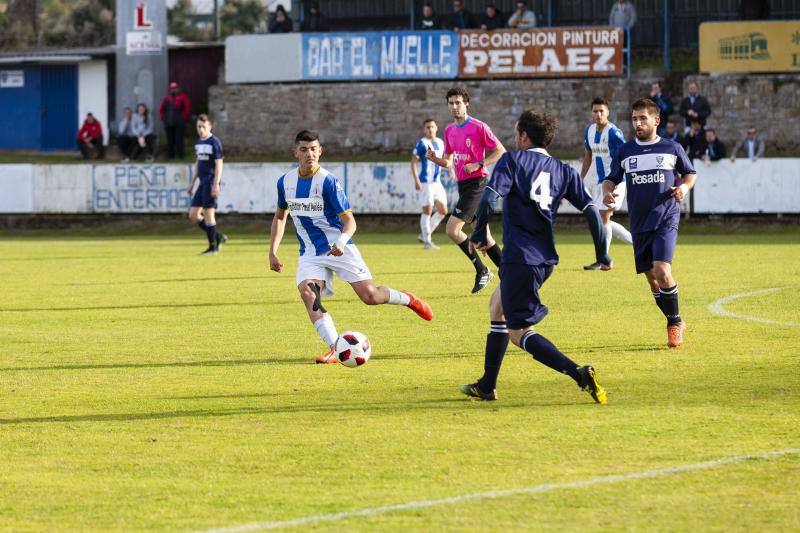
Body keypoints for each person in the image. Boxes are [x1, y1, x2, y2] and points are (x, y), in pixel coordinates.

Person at [459, 108, 610, 403]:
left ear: (524, 136)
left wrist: (478, 233)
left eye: (516, 133)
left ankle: (578, 373)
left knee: (519, 332)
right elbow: (592, 211)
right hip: (544, 260)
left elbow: (489, 198)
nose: (514, 138)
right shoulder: (564, 170)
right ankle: (487, 385)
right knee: (496, 307)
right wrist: (602, 252)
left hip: (520, 259)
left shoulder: (513, 161)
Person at [269, 130, 434, 364]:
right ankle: (335, 348)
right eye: (304, 150)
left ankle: (408, 299)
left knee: (371, 296)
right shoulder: (285, 182)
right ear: (296, 152)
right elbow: (280, 217)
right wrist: (272, 251)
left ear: (320, 151)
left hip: (340, 248)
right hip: (310, 254)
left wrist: (341, 242)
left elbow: (350, 222)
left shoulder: (328, 181)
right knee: (308, 294)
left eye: (314, 149)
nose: (310, 154)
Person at [602, 98, 697, 348]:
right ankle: (675, 318)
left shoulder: (671, 148)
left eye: (643, 118)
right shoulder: (625, 151)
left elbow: (690, 173)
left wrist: (684, 189)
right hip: (639, 221)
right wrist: (607, 191)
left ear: (656, 120)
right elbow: (611, 179)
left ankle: (674, 324)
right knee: (652, 278)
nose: (638, 123)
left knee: (662, 269)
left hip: (666, 216)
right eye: (634, 118)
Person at [426, 87, 506, 293]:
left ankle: (481, 270)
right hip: (464, 186)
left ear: (466, 103)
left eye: (458, 103)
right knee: (485, 237)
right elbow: (450, 162)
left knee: (452, 229)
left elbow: (500, 150)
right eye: (451, 103)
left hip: (478, 183)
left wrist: (479, 163)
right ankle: (509, 273)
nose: (454, 107)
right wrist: (435, 160)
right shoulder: (449, 131)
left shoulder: (479, 127)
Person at [580, 97, 632, 270]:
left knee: (603, 217)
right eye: (595, 111)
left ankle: (604, 260)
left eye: (602, 111)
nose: (598, 114)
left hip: (615, 182)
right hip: (598, 182)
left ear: (608, 112)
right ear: (591, 113)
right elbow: (588, 155)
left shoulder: (613, 133)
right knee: (603, 220)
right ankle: (638, 243)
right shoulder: (588, 130)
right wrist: (580, 178)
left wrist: (616, 182)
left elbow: (624, 156)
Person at [187, 114, 227, 256]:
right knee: (193, 215)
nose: (201, 129)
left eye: (203, 126)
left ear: (210, 126)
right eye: (198, 126)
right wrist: (192, 183)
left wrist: (216, 184)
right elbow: (198, 163)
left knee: (209, 214)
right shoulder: (198, 142)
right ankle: (218, 236)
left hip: (210, 182)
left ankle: (213, 248)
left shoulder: (214, 142)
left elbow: (219, 164)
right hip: (201, 183)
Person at [411, 119, 448, 249]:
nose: (430, 129)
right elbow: (414, 161)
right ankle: (427, 242)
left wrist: (452, 171)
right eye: (427, 127)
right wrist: (416, 180)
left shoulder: (440, 142)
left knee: (443, 210)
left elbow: (445, 160)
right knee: (427, 210)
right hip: (425, 182)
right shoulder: (422, 143)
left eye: (432, 127)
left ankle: (424, 234)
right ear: (424, 129)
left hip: (437, 182)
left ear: (436, 128)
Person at [159, 81, 191, 160]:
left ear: (178, 89)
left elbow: (187, 108)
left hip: (179, 122)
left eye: (175, 88)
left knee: (179, 139)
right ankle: (171, 156)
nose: (174, 90)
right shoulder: (166, 98)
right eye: (172, 89)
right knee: (170, 140)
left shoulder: (183, 97)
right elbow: (161, 109)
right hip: (168, 122)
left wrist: (183, 118)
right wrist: (163, 117)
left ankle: (181, 155)